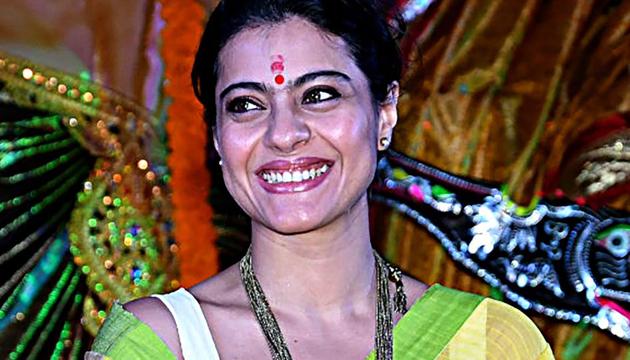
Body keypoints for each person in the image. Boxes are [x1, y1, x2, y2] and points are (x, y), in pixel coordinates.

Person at [88, 0, 554, 359]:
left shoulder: (486, 341)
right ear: (216, 137)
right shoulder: (160, 344)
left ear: (385, 112)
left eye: (319, 95)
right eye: (246, 104)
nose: (284, 134)